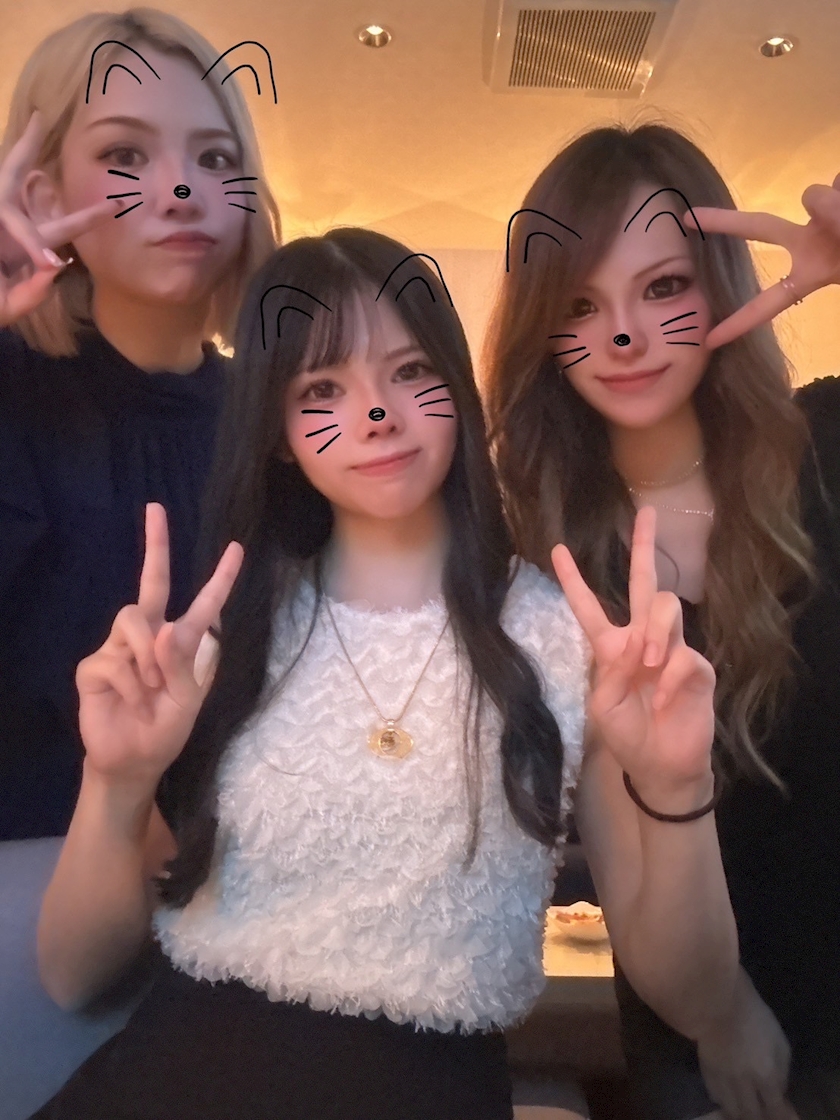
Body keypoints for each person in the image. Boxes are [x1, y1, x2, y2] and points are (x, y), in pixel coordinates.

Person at [33, 228, 735, 1120]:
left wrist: (678, 787)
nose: (376, 414)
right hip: (172, 1080)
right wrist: (116, 780)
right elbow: (72, 973)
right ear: (278, 433)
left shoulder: (571, 639)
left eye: (409, 372)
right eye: (321, 389)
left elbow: (695, 999)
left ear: (456, 389)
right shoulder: (225, 636)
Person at [484, 122, 840, 1120]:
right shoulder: (548, 569)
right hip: (711, 1049)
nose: (624, 335)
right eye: (580, 304)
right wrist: (722, 1014)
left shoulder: (827, 448)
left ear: (721, 286)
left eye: (665, 287)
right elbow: (637, 911)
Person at [0, 7, 281, 839]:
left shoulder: (282, 419)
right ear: (41, 195)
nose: (180, 191)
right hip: (29, 871)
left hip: (248, 876)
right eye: (125, 155)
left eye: (215, 158)